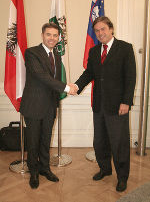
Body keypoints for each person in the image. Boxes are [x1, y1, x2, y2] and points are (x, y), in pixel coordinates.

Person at [73, 16, 136, 192]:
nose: (100, 33)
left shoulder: (125, 48)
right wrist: (76, 86)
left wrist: (126, 101)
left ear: (111, 29)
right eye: (97, 30)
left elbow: (130, 78)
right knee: (100, 141)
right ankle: (105, 169)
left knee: (119, 143)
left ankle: (122, 177)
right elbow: (89, 73)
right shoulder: (94, 51)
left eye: (103, 29)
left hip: (118, 106)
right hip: (99, 105)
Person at [20, 22, 74, 189]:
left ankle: (45, 168)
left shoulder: (57, 56)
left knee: (45, 140)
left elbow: (55, 80)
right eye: (48, 34)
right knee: (33, 141)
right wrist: (66, 88)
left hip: (50, 106)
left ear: (58, 38)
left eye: (55, 35)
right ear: (42, 35)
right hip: (34, 106)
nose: (52, 38)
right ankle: (34, 172)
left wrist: (66, 87)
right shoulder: (31, 53)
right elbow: (41, 75)